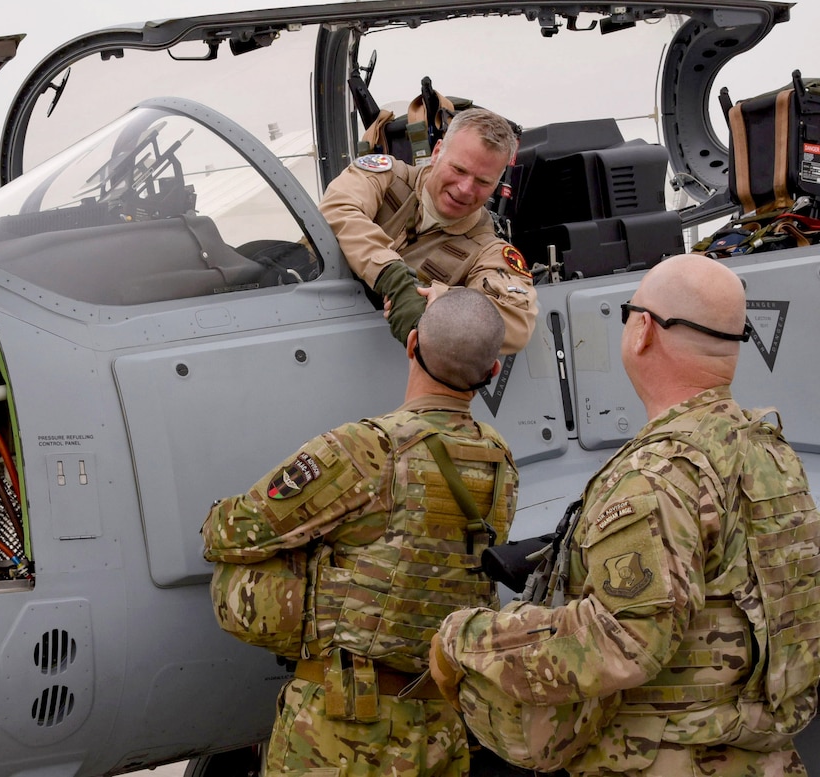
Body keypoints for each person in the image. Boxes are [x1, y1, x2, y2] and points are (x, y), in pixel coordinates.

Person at [429, 253, 820, 776]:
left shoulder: (655, 475)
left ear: (643, 331)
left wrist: (466, 639)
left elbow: (621, 641)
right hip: (758, 754)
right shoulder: (769, 452)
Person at [203, 288, 519, 776]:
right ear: (492, 372)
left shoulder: (367, 448)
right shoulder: (500, 462)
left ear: (412, 343)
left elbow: (235, 532)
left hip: (341, 732)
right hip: (439, 726)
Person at [320, 107, 537, 354]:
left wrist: (439, 303)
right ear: (436, 153)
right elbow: (337, 209)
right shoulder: (386, 177)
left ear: (496, 184)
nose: (466, 188)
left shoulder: (487, 249)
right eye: (459, 170)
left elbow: (517, 321)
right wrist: (393, 277)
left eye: (483, 182)